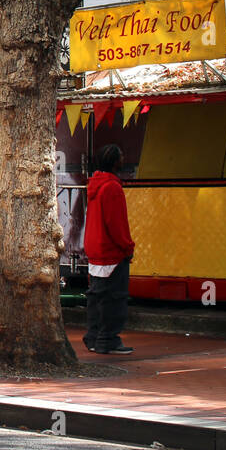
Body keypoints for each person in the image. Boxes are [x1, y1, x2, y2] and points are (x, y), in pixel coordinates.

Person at [84, 144, 136, 355]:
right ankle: (108, 339)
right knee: (114, 299)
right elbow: (116, 223)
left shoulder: (95, 185)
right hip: (111, 251)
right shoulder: (112, 187)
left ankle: (95, 337)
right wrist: (127, 246)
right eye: (121, 156)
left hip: (95, 249)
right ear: (115, 161)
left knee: (97, 297)